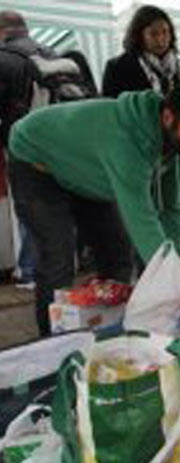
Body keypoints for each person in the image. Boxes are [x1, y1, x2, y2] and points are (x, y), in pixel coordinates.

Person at [7, 84, 180, 337]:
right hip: (36, 161)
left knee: (117, 256)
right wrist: (173, 282)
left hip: (87, 173)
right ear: (168, 117)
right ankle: (52, 346)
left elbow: (171, 209)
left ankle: (110, 334)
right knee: (58, 258)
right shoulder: (125, 138)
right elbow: (142, 219)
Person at [0, 10, 95, 289]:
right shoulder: (61, 57)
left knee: (40, 227)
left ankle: (34, 277)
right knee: (63, 225)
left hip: (29, 154)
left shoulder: (5, 60)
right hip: (72, 154)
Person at [102, 5, 180, 97]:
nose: (160, 39)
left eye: (165, 32)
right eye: (153, 34)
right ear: (139, 36)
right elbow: (109, 108)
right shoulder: (117, 67)